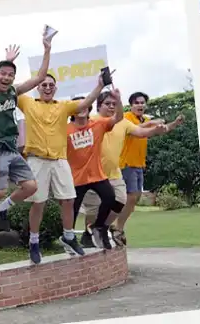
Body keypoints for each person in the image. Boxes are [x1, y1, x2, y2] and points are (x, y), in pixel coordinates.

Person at [17, 70, 106, 263]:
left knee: (68, 200)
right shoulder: (27, 103)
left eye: (51, 85)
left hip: (59, 159)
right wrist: (14, 64)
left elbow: (84, 103)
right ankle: (34, 242)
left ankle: (68, 236)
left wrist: (99, 85)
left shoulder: (64, 107)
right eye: (44, 85)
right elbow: (12, 91)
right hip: (37, 159)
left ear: (55, 88)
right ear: (37, 87)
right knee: (38, 203)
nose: (47, 88)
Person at [80, 89, 180, 247]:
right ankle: (88, 234)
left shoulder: (123, 123)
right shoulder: (91, 120)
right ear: (99, 106)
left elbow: (141, 132)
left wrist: (155, 130)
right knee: (93, 210)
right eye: (108, 104)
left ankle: (102, 227)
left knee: (121, 200)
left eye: (114, 104)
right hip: (92, 174)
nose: (111, 106)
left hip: (113, 173)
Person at [0, 28, 52, 227]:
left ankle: (0, 209)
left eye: (11, 75)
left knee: (31, 186)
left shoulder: (13, 92)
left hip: (12, 149)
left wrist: (47, 49)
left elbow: (40, 77)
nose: (7, 77)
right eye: (2, 74)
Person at [113, 90, 181, 242]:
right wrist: (151, 123)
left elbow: (160, 130)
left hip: (138, 164)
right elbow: (137, 130)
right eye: (137, 102)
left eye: (142, 102)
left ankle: (117, 227)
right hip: (126, 163)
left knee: (134, 198)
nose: (140, 105)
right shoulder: (126, 118)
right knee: (130, 197)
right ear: (130, 105)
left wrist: (174, 124)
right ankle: (116, 228)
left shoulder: (143, 119)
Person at [67, 88, 125, 249]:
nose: (81, 109)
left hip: (97, 175)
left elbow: (118, 117)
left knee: (110, 198)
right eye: (77, 107)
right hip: (77, 178)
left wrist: (118, 100)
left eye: (85, 106)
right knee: (72, 210)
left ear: (89, 110)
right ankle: (68, 238)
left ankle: (99, 227)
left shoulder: (98, 124)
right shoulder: (65, 130)